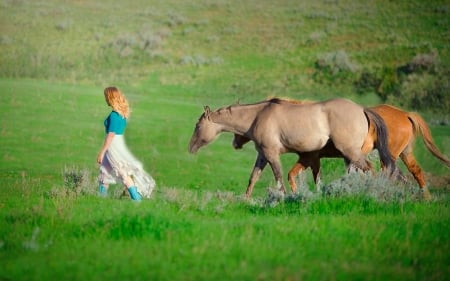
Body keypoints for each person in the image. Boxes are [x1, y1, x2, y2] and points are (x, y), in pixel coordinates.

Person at [97, 86, 155, 201]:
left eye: (106, 96)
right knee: (105, 171)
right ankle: (100, 198)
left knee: (122, 172)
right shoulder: (122, 114)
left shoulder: (114, 115)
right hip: (116, 144)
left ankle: (136, 198)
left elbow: (111, 135)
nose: (105, 99)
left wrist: (102, 152)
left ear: (110, 97)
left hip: (113, 146)